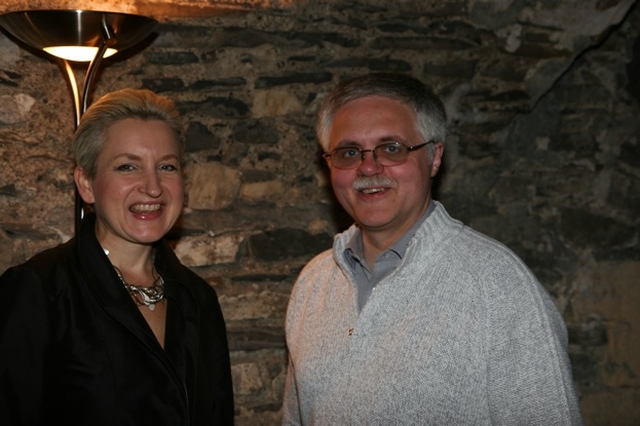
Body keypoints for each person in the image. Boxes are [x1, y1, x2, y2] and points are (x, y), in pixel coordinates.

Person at [282, 73, 584, 425]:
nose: (368, 167)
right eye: (349, 152)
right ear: (329, 165)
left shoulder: (498, 287)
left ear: (435, 157)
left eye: (391, 148)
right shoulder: (313, 284)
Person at [0, 88, 234, 425]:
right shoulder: (40, 292)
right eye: (128, 167)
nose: (152, 187)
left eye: (167, 166)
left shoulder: (199, 299)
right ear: (86, 184)